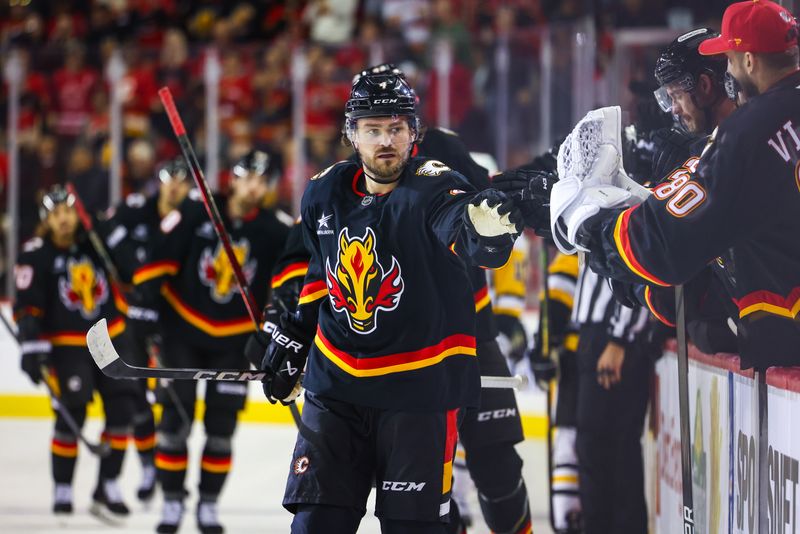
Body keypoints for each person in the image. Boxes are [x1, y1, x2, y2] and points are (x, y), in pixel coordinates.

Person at [267, 63, 534, 534]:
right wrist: (291, 337)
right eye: (372, 130)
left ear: (415, 133)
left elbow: (460, 222)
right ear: (352, 134)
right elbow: (319, 273)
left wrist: (484, 229)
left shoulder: (433, 182)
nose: (385, 141)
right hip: (337, 391)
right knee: (315, 525)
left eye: (395, 129)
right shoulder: (323, 193)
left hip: (418, 395)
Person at [545, 0, 800, 375]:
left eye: (729, 59)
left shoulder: (750, 131)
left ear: (749, 60)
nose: (728, 71)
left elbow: (668, 242)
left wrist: (592, 227)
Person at [132, 150, 290, 534]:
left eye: (262, 181)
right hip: (181, 331)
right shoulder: (197, 210)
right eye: (247, 178)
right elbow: (156, 261)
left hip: (234, 341)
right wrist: (144, 307)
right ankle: (171, 504)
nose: (254, 187)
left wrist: (273, 329)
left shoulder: (276, 229)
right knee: (174, 423)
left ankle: (207, 505)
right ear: (232, 179)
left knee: (220, 431)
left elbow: (286, 288)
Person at [14, 185, 136, 521]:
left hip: (110, 338)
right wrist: (32, 348)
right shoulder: (35, 254)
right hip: (67, 345)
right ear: (46, 219)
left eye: (68, 211)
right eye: (55, 214)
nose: (63, 219)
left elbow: (129, 270)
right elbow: (28, 308)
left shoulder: (94, 242)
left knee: (122, 412)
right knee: (73, 412)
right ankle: (63, 487)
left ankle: (109, 483)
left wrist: (104, 230)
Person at [101, 156, 194, 502]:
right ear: (159, 181)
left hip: (173, 321)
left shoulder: (192, 219)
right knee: (136, 398)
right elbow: (105, 229)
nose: (174, 188)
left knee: (167, 397)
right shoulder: (137, 208)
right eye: (168, 180)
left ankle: (167, 467)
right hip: (133, 317)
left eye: (181, 182)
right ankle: (148, 465)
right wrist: (133, 262)